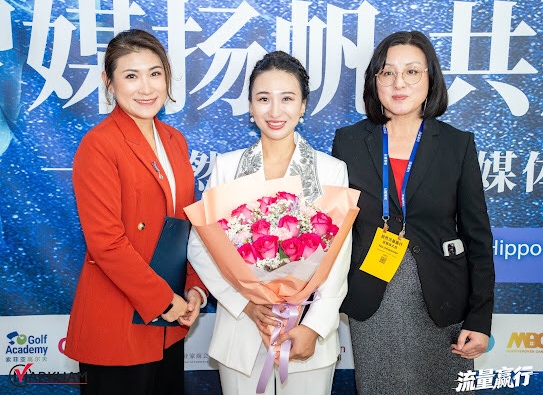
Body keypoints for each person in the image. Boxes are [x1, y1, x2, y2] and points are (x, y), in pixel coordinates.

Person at [332, 30, 495, 394]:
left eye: (412, 71)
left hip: (442, 301)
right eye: (387, 72)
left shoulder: (456, 144)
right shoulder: (349, 142)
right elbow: (336, 231)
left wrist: (480, 318)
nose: (399, 83)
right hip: (373, 298)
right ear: (374, 80)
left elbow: (478, 238)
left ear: (430, 78)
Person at [187, 51, 352, 395]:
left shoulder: (331, 170)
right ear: (250, 106)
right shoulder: (227, 168)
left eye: (287, 99)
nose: (275, 111)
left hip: (306, 334)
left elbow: (337, 260)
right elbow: (201, 247)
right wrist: (246, 304)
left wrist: (314, 326)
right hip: (241, 333)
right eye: (263, 99)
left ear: (303, 106)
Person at [65, 29, 207, 395]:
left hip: (169, 323)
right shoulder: (99, 145)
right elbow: (106, 243)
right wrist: (164, 300)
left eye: (155, 73)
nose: (146, 88)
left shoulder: (175, 141)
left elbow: (185, 227)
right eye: (131, 76)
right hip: (118, 321)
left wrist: (194, 287)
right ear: (109, 82)